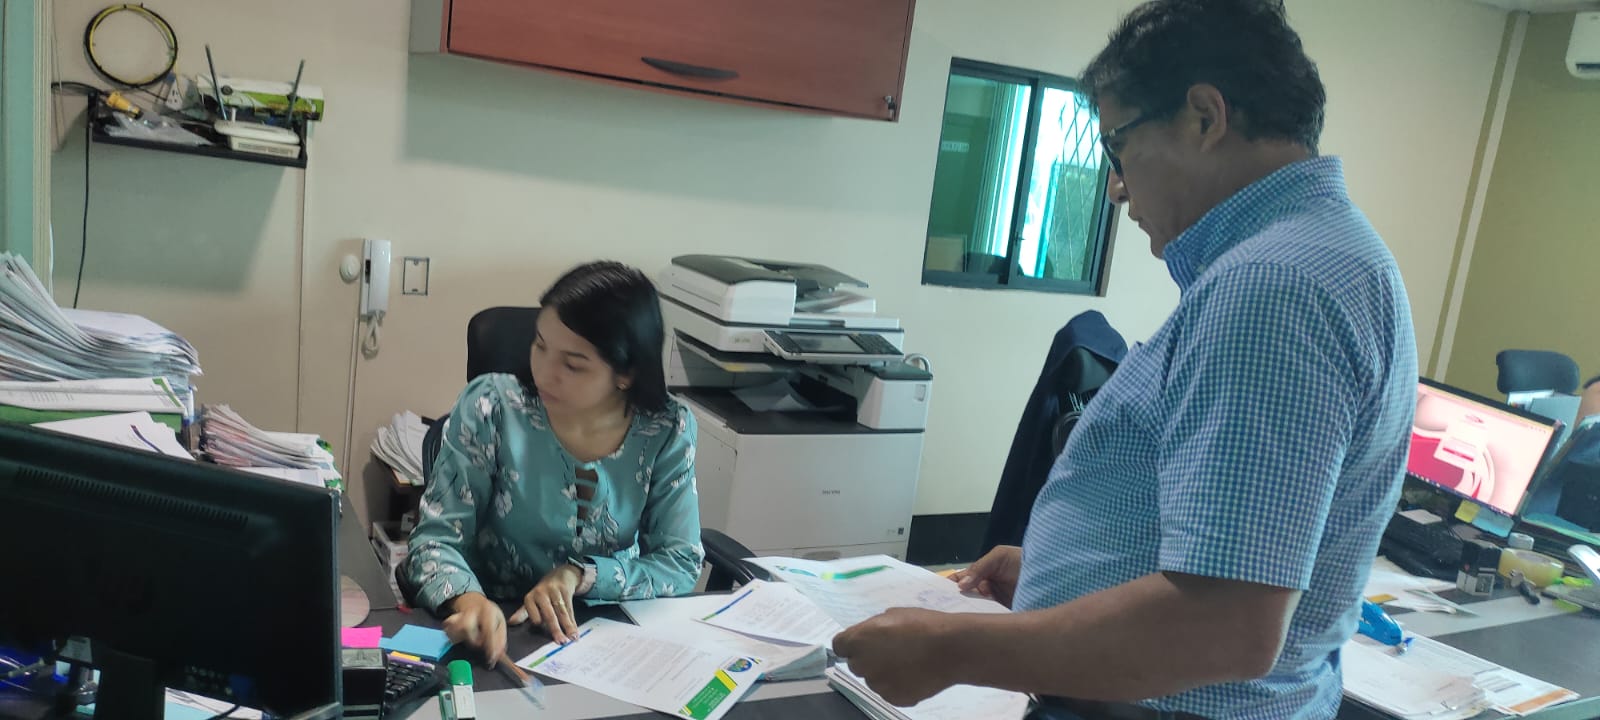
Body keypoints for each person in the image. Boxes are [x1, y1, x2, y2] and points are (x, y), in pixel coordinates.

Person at [833, 1, 1418, 718]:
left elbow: (1225, 624)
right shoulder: (1329, 256)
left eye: (1117, 147)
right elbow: (1229, 551)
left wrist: (952, 650)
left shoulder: (1273, 286)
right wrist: (1057, 578)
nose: (1115, 187)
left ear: (1204, 117)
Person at [401, 260, 704, 666]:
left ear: (626, 374)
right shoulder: (493, 406)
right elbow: (435, 540)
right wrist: (469, 601)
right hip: (498, 628)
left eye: (573, 365)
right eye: (540, 346)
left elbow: (679, 562)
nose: (544, 373)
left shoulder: (666, 428)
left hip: (605, 635)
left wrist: (582, 575)